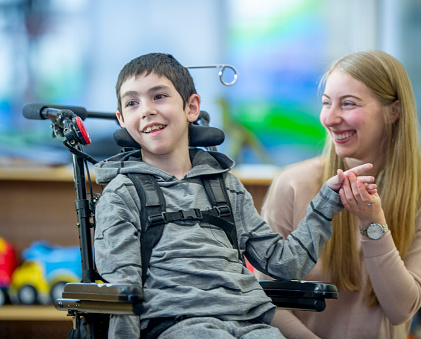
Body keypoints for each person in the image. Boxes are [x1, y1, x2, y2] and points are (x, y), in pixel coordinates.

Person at [93, 52, 376, 339]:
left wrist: (326, 204)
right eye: (132, 103)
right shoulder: (122, 194)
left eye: (159, 96)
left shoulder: (226, 187)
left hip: (250, 322)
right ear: (122, 120)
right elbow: (122, 290)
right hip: (177, 323)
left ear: (191, 107)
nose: (146, 110)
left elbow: (284, 262)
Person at [256, 50, 421, 339]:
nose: (330, 118)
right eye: (326, 103)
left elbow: (401, 309)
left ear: (394, 111)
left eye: (348, 104)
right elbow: (264, 300)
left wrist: (372, 224)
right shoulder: (292, 184)